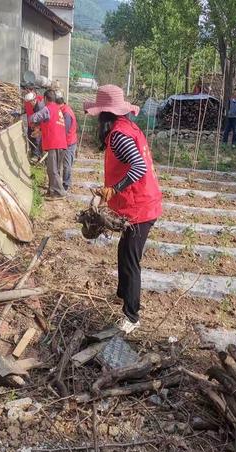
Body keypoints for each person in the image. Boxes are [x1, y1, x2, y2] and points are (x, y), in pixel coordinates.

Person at [83, 85, 163, 334]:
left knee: (130, 260)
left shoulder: (118, 135)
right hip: (141, 204)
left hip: (141, 208)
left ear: (104, 114)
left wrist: (113, 189)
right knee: (124, 251)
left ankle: (132, 316)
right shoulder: (126, 128)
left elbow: (138, 167)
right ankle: (122, 294)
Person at [31, 90, 67, 199]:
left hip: (54, 144)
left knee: (52, 169)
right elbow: (52, 126)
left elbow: (34, 117)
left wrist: (30, 121)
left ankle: (59, 193)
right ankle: (52, 191)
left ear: (46, 99)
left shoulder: (48, 108)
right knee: (54, 169)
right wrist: (40, 131)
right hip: (61, 144)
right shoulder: (57, 109)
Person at [56, 91, 79, 191]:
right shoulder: (63, 109)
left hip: (69, 143)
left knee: (66, 164)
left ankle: (66, 184)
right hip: (67, 141)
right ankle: (64, 183)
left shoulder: (66, 113)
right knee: (65, 164)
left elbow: (64, 131)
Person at [23, 90, 45, 158]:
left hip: (38, 125)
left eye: (31, 102)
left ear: (34, 99)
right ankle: (34, 154)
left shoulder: (39, 106)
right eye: (29, 102)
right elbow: (25, 110)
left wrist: (36, 128)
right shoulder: (27, 102)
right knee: (31, 138)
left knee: (37, 139)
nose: (30, 103)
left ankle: (37, 155)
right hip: (32, 124)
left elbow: (40, 119)